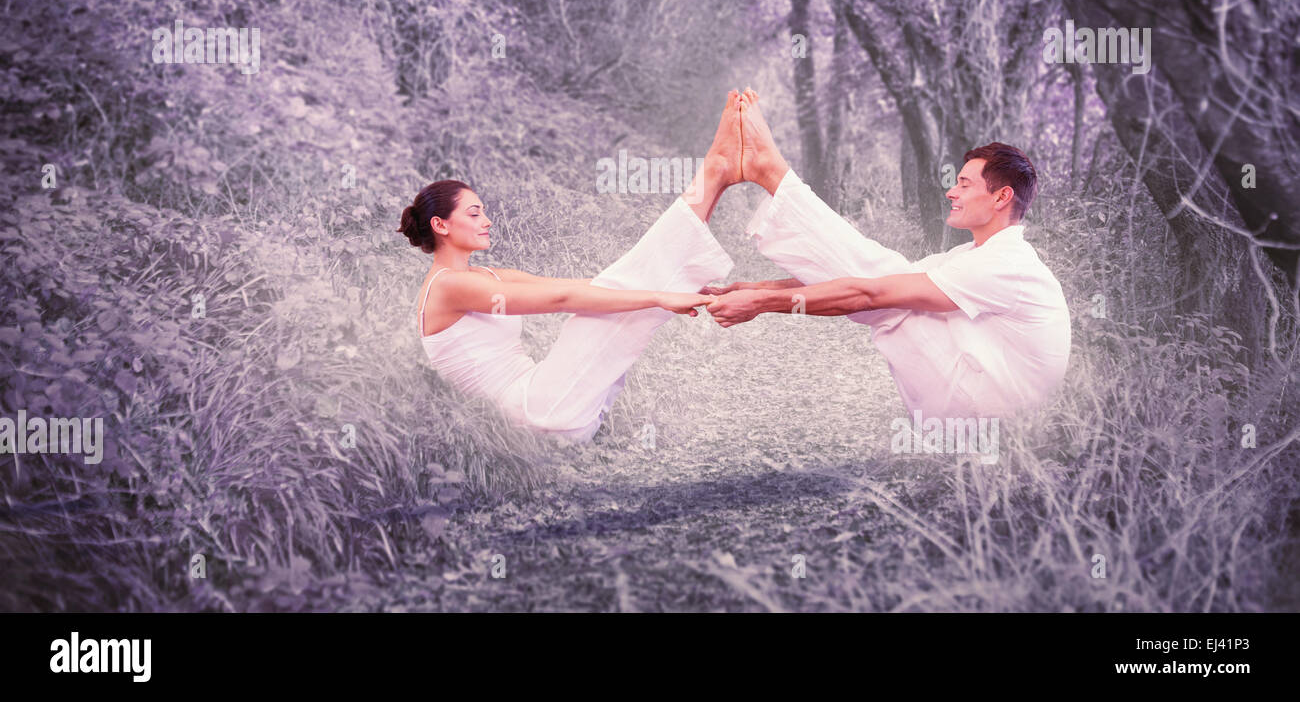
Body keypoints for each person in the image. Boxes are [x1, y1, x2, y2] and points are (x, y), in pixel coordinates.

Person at [399, 92, 748, 442]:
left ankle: (718, 175)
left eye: (484, 212)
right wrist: (658, 296)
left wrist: (670, 291)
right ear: (440, 225)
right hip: (533, 413)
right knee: (597, 307)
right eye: (474, 214)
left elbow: (578, 285)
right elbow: (562, 299)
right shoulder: (447, 286)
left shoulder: (486, 276)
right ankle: (715, 170)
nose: (487, 221)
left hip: (549, 406)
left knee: (611, 287)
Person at [704, 89, 1071, 419]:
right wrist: (756, 288)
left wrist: (761, 303)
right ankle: (771, 174)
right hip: (977, 401)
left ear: (1001, 197)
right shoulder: (977, 254)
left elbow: (869, 294)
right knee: (892, 278)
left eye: (964, 184)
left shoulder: (1006, 264)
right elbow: (877, 283)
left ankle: (771, 172)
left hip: (987, 415)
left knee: (889, 295)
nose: (951, 193)